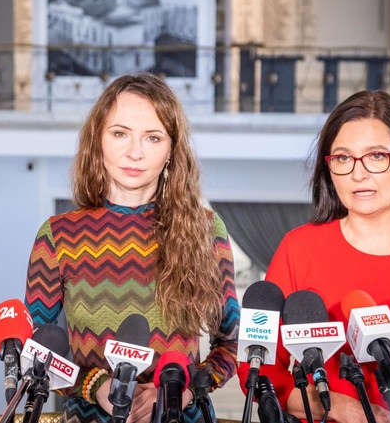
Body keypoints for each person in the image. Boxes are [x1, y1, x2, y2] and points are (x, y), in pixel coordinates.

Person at [242, 90, 390, 423]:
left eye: (377, 156)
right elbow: (260, 373)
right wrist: (341, 407)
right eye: (343, 158)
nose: (358, 173)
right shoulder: (298, 249)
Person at [23, 73, 239, 423]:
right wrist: (96, 386)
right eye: (120, 133)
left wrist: (181, 391)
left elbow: (231, 343)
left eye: (153, 137)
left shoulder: (206, 228)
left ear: (171, 150)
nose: (135, 152)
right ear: (98, 140)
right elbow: (37, 351)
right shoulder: (59, 235)